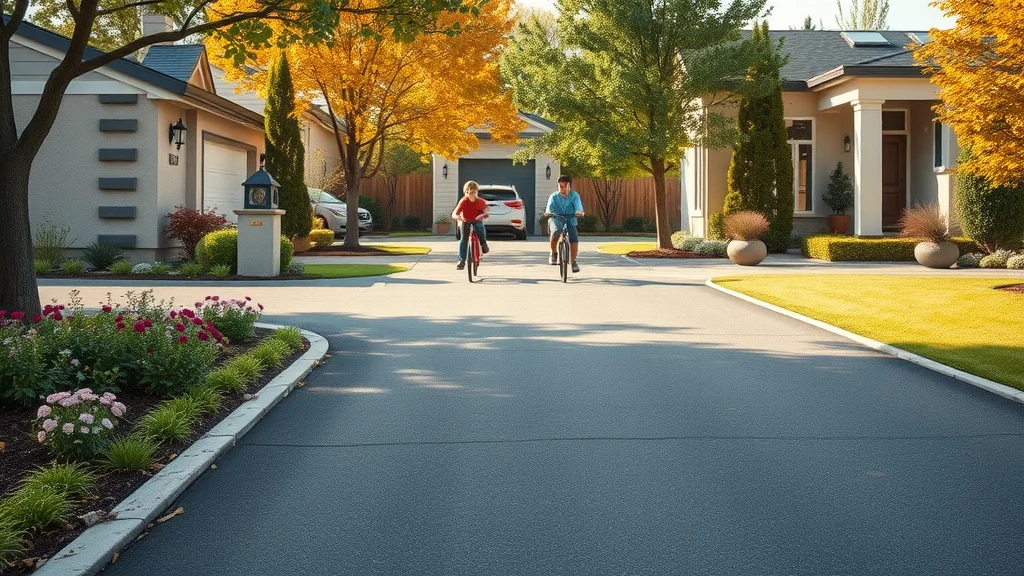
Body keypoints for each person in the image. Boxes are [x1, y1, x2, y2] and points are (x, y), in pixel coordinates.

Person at [545, 175, 585, 273]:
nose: (561, 188)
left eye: (564, 186)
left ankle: (573, 261)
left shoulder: (574, 196)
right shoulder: (554, 196)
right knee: (556, 233)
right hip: (556, 217)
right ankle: (554, 253)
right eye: (560, 186)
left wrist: (579, 212)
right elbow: (549, 207)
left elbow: (578, 206)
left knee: (574, 237)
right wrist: (549, 212)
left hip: (570, 218)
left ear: (569, 186)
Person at [452, 180, 490, 270]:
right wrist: (458, 217)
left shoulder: (480, 201)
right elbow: (454, 213)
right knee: (464, 239)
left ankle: (483, 243)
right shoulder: (464, 201)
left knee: (479, 227)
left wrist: (483, 214)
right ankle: (461, 261)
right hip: (466, 221)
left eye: (474, 193)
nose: (472, 196)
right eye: (469, 193)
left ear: (476, 192)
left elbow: (486, 210)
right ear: (466, 192)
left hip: (477, 220)